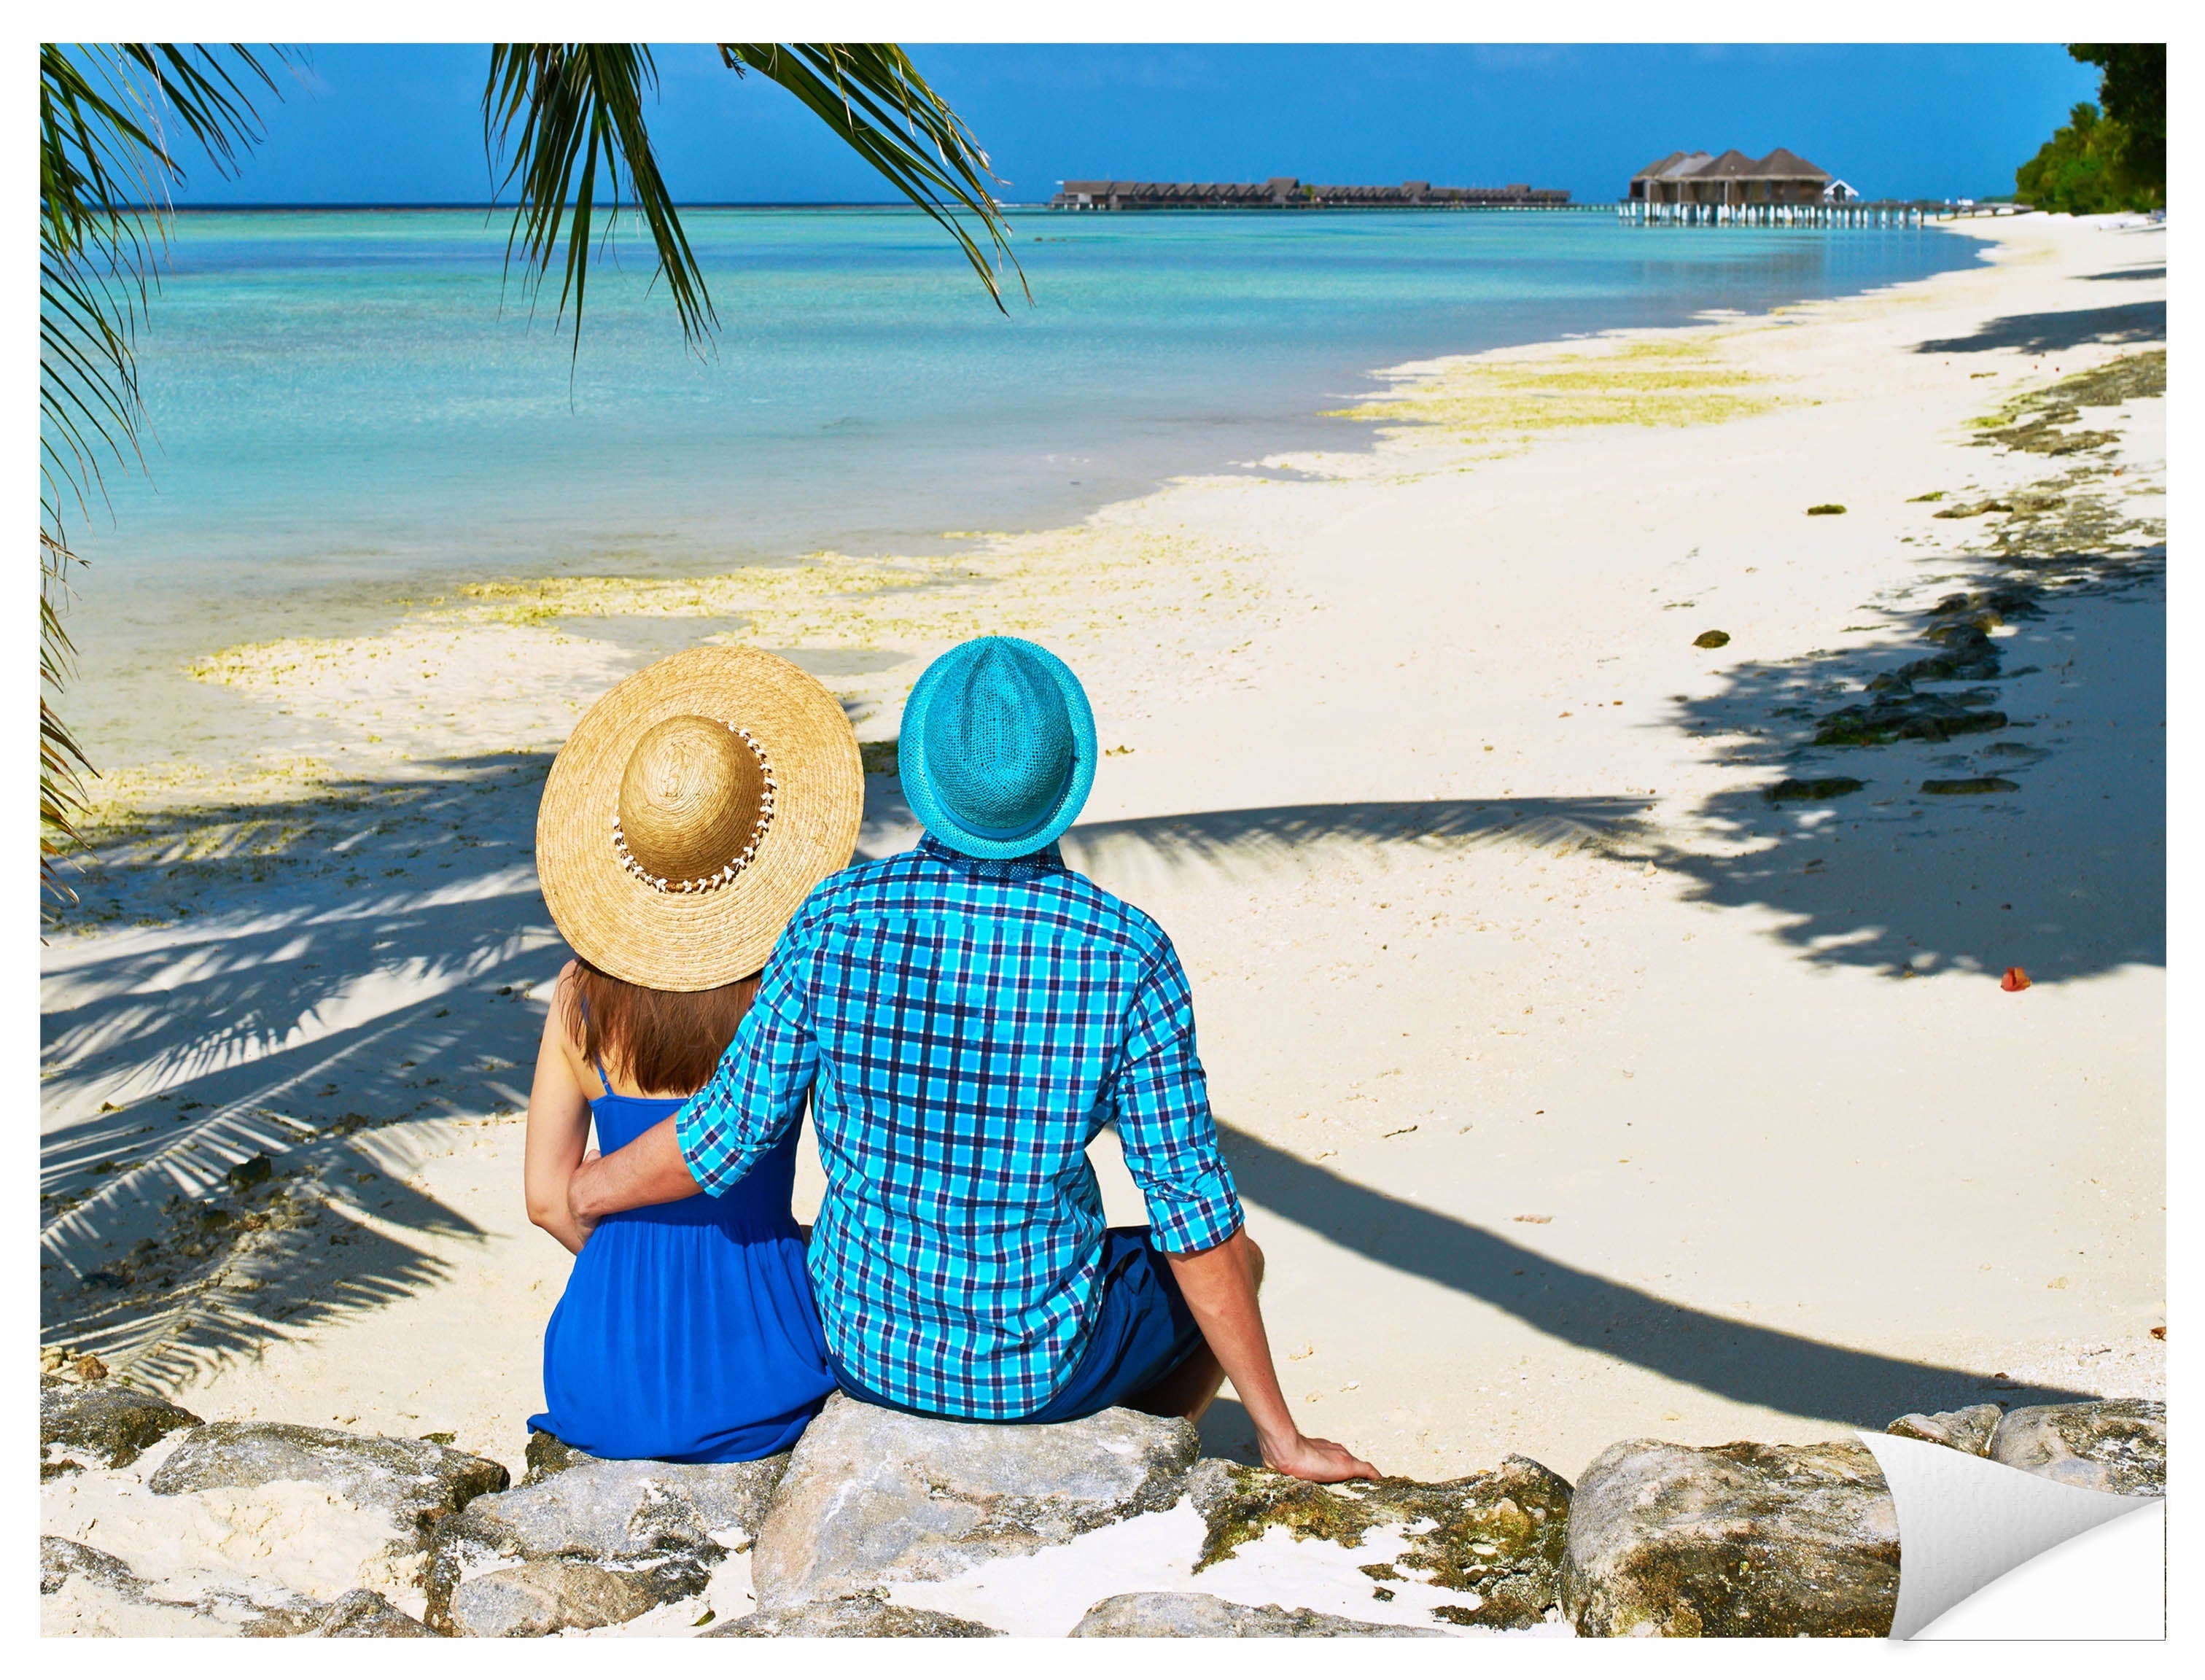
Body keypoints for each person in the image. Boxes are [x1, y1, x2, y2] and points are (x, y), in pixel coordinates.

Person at [568, 636, 1377, 1482]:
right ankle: (1144, 1453)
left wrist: (591, 1185)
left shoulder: (834, 918)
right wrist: (1281, 1438)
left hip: (863, 1343)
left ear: (925, 776)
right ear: (1065, 781)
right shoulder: (1127, 954)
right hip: (1036, 1369)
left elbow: (729, 1129)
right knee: (1239, 1261)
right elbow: (1194, 1221)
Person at [521, 645, 865, 1462]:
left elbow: (545, 1200)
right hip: (759, 1364)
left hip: (599, 1372)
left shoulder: (578, 996)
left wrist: (637, 1263)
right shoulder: (786, 987)